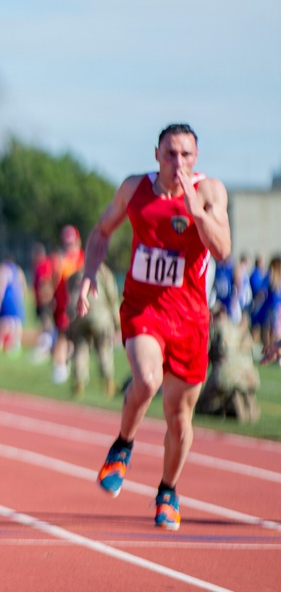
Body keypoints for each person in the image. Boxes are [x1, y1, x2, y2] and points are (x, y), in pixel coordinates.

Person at [76, 123, 231, 531]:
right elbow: (100, 231)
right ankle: (123, 446)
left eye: (185, 155)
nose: (177, 162)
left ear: (195, 158)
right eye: (169, 154)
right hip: (145, 308)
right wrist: (90, 274)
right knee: (145, 379)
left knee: (179, 416)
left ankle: (167, 491)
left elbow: (223, 249)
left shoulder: (210, 191)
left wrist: (198, 214)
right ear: (156, 155)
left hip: (191, 318)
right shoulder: (134, 189)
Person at [195, 304, 260, 422]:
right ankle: (239, 404)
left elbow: (204, 354)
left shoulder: (214, 327)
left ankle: (228, 404)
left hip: (226, 373)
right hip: (250, 375)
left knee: (200, 406)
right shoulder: (238, 328)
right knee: (240, 392)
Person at [65, 263, 120, 397]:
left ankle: (79, 381)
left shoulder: (79, 272)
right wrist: (117, 322)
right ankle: (108, 382)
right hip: (100, 316)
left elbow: (69, 286)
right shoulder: (105, 273)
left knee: (80, 348)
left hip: (80, 314)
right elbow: (112, 298)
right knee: (104, 348)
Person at [51, 225, 85, 384]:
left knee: (76, 338)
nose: (69, 247)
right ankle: (60, 367)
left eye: (71, 243)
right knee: (63, 335)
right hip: (63, 306)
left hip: (79, 306)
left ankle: (70, 363)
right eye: (66, 243)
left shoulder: (83, 259)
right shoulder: (60, 260)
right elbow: (55, 281)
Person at [0, 255, 27, 355]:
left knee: (5, 321)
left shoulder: (4, 269)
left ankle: (1, 343)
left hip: (8, 297)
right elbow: (23, 286)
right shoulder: (18, 270)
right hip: (17, 298)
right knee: (16, 321)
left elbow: (2, 284)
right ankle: (16, 343)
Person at [31, 242, 56, 363]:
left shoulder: (43, 265)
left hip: (44, 299)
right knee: (44, 321)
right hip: (40, 298)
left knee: (46, 321)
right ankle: (47, 344)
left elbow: (45, 282)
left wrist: (45, 298)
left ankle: (47, 346)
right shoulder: (39, 264)